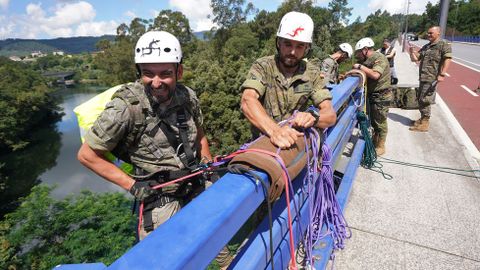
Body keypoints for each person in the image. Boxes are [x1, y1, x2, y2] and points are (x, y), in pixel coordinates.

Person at [77, 30, 212, 240]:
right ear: (139, 72)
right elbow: (87, 155)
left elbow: (200, 135)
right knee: (168, 256)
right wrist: (132, 185)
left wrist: (207, 163)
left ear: (179, 71)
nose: (156, 82)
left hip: (195, 182)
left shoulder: (187, 97)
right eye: (148, 73)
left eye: (165, 73)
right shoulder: (125, 108)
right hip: (160, 197)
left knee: (219, 242)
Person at [240, 11, 337, 150]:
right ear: (279, 43)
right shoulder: (263, 66)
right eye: (288, 44)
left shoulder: (312, 73)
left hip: (294, 144)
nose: (292, 52)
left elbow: (330, 115)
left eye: (299, 46)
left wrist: (313, 118)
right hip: (263, 141)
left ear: (307, 48)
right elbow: (247, 100)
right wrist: (275, 131)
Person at [353, 37, 392, 156]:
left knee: (380, 122)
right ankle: (375, 141)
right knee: (375, 121)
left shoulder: (379, 58)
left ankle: (381, 146)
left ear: (365, 49)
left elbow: (375, 75)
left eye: (359, 52)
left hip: (381, 96)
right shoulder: (368, 61)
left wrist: (359, 67)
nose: (358, 55)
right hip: (373, 95)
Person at [408, 26, 452, 132]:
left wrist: (442, 74)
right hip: (423, 77)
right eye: (428, 33)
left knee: (425, 100)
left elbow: (448, 59)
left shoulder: (444, 44)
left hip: (432, 78)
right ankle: (423, 118)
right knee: (421, 98)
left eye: (431, 33)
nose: (428, 35)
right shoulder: (427, 46)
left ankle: (425, 123)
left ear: (438, 33)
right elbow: (415, 59)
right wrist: (411, 52)